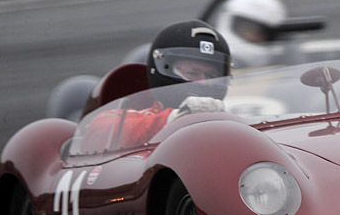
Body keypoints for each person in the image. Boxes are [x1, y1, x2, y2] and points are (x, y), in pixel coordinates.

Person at [79, 21, 232, 152]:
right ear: (162, 68)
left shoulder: (233, 120)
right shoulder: (130, 119)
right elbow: (98, 130)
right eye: (193, 72)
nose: (203, 82)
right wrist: (172, 120)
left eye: (212, 76)